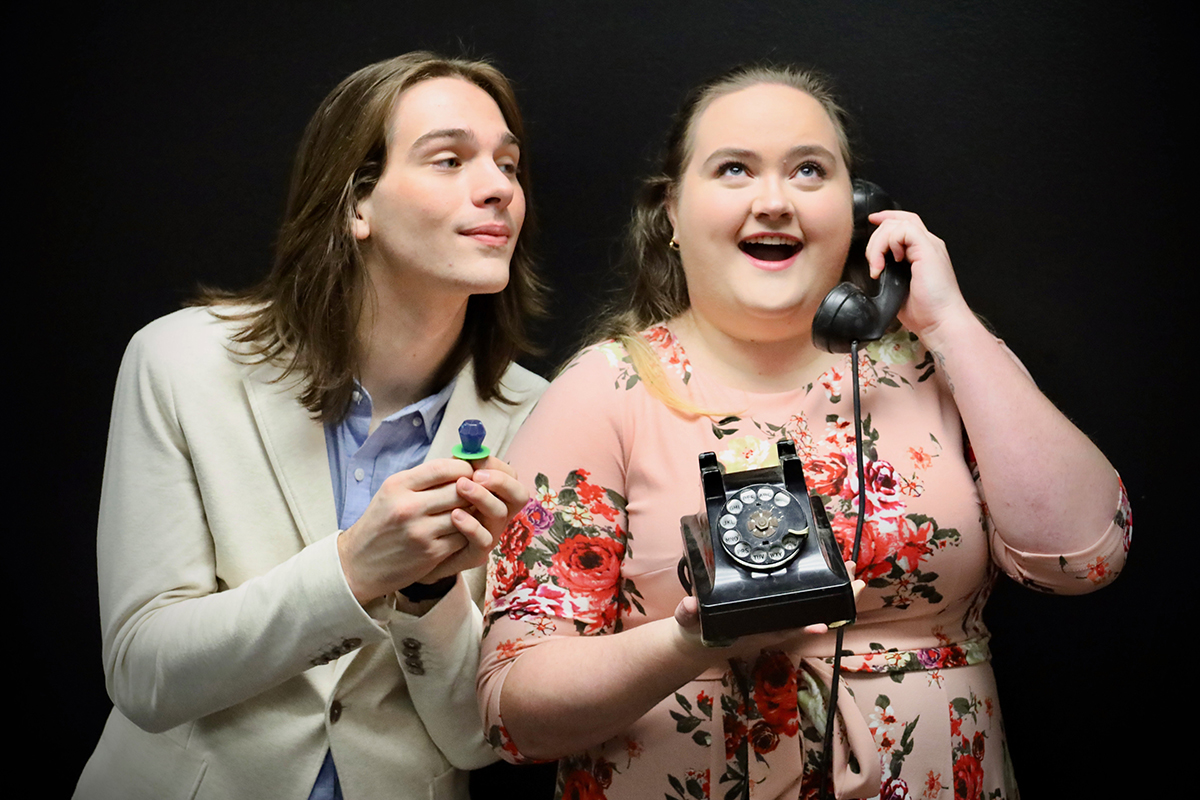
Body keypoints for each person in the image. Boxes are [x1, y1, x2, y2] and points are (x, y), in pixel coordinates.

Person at [476, 64, 1130, 799]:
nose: (774, 202)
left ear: (859, 209)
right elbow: (512, 715)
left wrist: (949, 324)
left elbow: (1085, 559)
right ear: (671, 213)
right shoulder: (602, 391)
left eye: (809, 171)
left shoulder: (936, 363)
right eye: (733, 169)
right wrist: (686, 643)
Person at [75, 52, 546, 800]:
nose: (499, 189)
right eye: (450, 159)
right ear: (357, 205)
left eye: (508, 165)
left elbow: (477, 739)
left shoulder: (542, 416)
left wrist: (430, 595)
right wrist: (354, 570)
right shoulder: (178, 362)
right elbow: (144, 675)